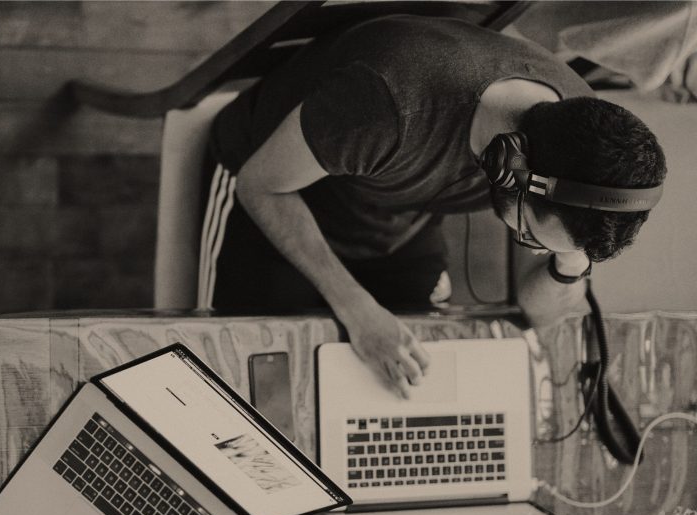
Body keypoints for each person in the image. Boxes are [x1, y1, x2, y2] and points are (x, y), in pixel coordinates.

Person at [200, 14, 667, 397]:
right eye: (530, 237)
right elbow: (259, 186)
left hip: (394, 213)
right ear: (511, 166)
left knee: (410, 383)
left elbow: (541, 316)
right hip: (277, 188)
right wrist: (357, 309)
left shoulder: (579, 141)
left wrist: (569, 261)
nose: (535, 250)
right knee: (244, 380)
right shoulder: (388, 102)